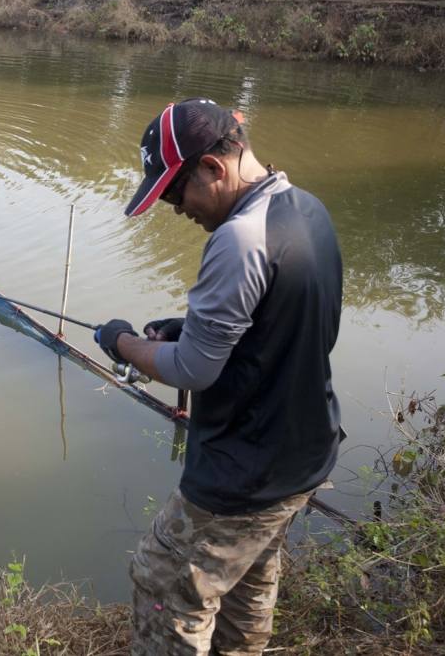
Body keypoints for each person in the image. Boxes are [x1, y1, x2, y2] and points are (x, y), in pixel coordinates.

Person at [94, 98, 343, 655]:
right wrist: (189, 325)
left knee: (164, 583)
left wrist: (123, 342)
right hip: (301, 456)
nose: (176, 208)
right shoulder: (307, 210)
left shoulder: (238, 238)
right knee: (247, 583)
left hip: (242, 474)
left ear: (212, 167)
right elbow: (290, 323)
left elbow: (193, 371)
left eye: (176, 192)